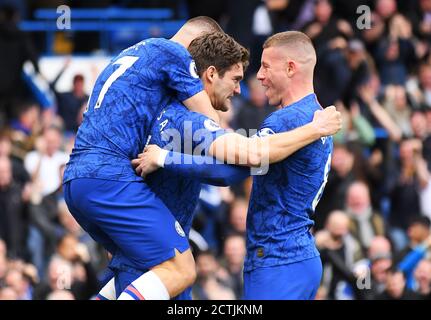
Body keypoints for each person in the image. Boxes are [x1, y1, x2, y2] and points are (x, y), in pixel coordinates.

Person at [103, 31, 341, 300]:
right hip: (299, 258)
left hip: (277, 258)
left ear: (290, 68)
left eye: (266, 67)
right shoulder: (317, 116)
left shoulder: (285, 121)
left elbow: (229, 170)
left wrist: (164, 158)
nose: (259, 76)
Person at [63, 16, 225, 301]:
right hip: (109, 175)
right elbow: (210, 125)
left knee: (140, 271)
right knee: (182, 268)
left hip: (78, 179)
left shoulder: (130, 53)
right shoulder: (175, 53)